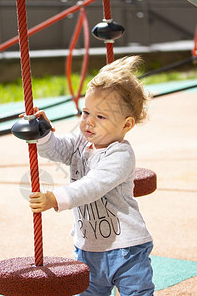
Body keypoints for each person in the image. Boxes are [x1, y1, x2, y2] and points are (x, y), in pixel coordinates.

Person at [28, 56, 155, 296]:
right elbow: (58, 149)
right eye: (86, 112)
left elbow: (93, 186)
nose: (89, 123)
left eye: (101, 117)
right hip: (87, 249)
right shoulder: (81, 141)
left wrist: (56, 198)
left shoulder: (120, 154)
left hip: (127, 248)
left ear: (126, 125)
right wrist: (44, 133)